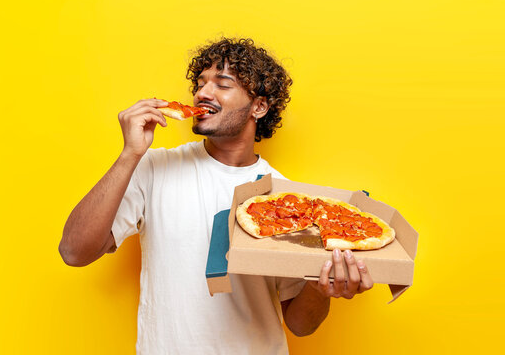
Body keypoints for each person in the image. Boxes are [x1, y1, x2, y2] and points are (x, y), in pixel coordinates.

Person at [59, 38, 374, 354]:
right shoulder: (155, 167)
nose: (201, 93)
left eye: (222, 85)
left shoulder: (285, 200)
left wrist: (323, 290)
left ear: (259, 107)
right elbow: (74, 252)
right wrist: (130, 154)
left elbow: (300, 325)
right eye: (200, 84)